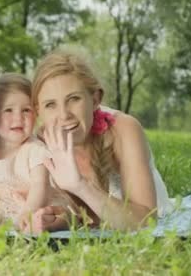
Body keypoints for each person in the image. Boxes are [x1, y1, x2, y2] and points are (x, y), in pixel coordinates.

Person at [29, 51, 173, 231]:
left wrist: (81, 186)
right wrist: (54, 220)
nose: (64, 115)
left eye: (74, 99)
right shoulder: (38, 146)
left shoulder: (123, 130)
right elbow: (78, 216)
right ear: (38, 111)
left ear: (95, 99)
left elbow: (145, 222)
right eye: (50, 105)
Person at [0, 73, 74, 232]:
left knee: (57, 215)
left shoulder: (36, 149)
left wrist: (28, 213)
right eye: (8, 110)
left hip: (34, 205)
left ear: (36, 116)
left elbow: (40, 185)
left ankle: (39, 227)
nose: (18, 117)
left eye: (26, 110)